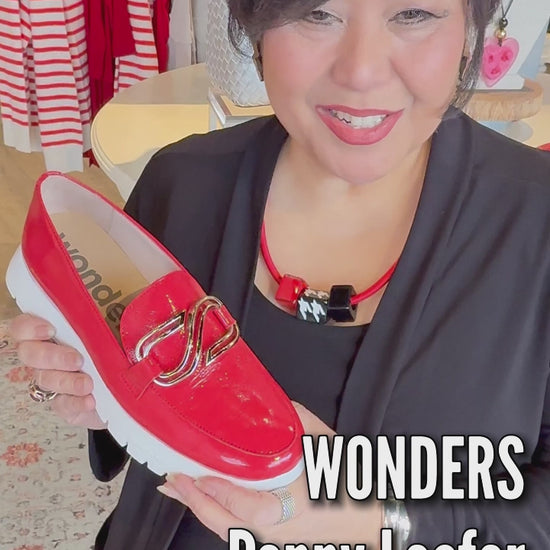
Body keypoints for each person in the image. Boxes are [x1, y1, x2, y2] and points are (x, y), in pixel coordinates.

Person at [8, 0, 550, 548]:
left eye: (412, 14)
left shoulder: (537, 221)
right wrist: (83, 385)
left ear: (469, 30)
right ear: (257, 27)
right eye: (316, 13)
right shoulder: (183, 182)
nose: (361, 71)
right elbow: (130, 409)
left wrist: (377, 520)